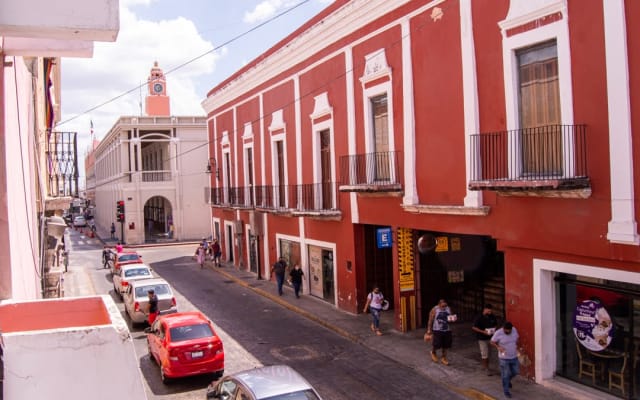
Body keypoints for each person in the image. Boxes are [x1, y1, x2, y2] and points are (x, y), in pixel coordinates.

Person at [491, 321, 520, 398]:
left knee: (516, 371)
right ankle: (506, 391)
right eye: (506, 330)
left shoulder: (514, 330)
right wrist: (498, 347)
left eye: (509, 330)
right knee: (505, 375)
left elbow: (517, 339)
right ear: (503, 328)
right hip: (504, 358)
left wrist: (517, 348)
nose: (508, 331)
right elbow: (492, 342)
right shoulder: (498, 333)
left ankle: (508, 381)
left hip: (514, 356)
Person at [472, 304, 498, 375]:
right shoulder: (479, 317)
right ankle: (486, 368)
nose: (490, 312)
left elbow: (495, 324)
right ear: (485, 309)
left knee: (489, 354)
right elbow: (474, 327)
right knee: (485, 354)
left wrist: (494, 329)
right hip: (482, 338)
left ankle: (486, 366)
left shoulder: (492, 316)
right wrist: (483, 332)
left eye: (491, 311)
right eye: (489, 311)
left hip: (490, 338)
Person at [426, 299, 455, 365]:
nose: (444, 307)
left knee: (446, 345)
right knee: (437, 344)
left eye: (445, 306)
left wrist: (452, 319)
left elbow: (450, 317)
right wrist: (429, 329)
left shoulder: (448, 309)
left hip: (447, 329)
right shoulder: (435, 309)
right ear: (439, 305)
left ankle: (444, 358)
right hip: (437, 329)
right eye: (442, 306)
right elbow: (430, 320)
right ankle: (433, 352)